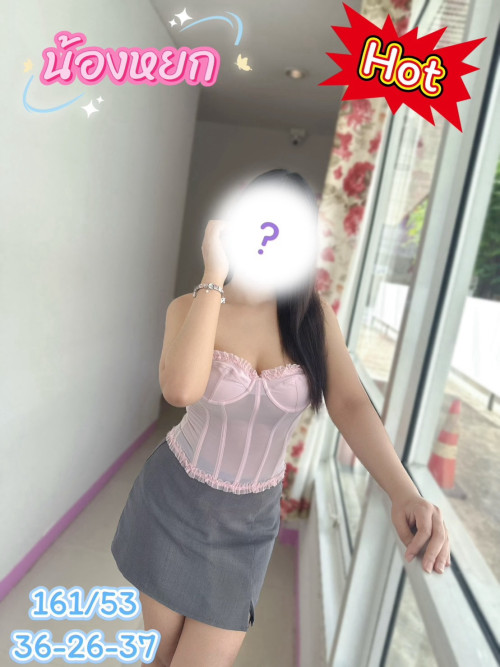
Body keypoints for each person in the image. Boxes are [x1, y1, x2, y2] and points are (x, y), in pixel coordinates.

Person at [111, 168, 451, 667]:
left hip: (248, 525)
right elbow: (180, 390)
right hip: (171, 501)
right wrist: (213, 274)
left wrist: (404, 491)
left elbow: (351, 403)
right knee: (160, 660)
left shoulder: (313, 319)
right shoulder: (190, 306)